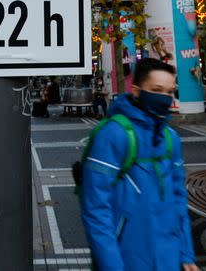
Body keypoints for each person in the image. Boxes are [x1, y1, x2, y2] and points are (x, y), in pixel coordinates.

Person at [79, 58, 197, 271]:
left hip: (168, 257)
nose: (165, 98)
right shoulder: (113, 134)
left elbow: (179, 199)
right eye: (156, 90)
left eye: (170, 92)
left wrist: (186, 254)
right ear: (136, 91)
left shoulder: (171, 138)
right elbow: (96, 209)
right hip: (127, 257)